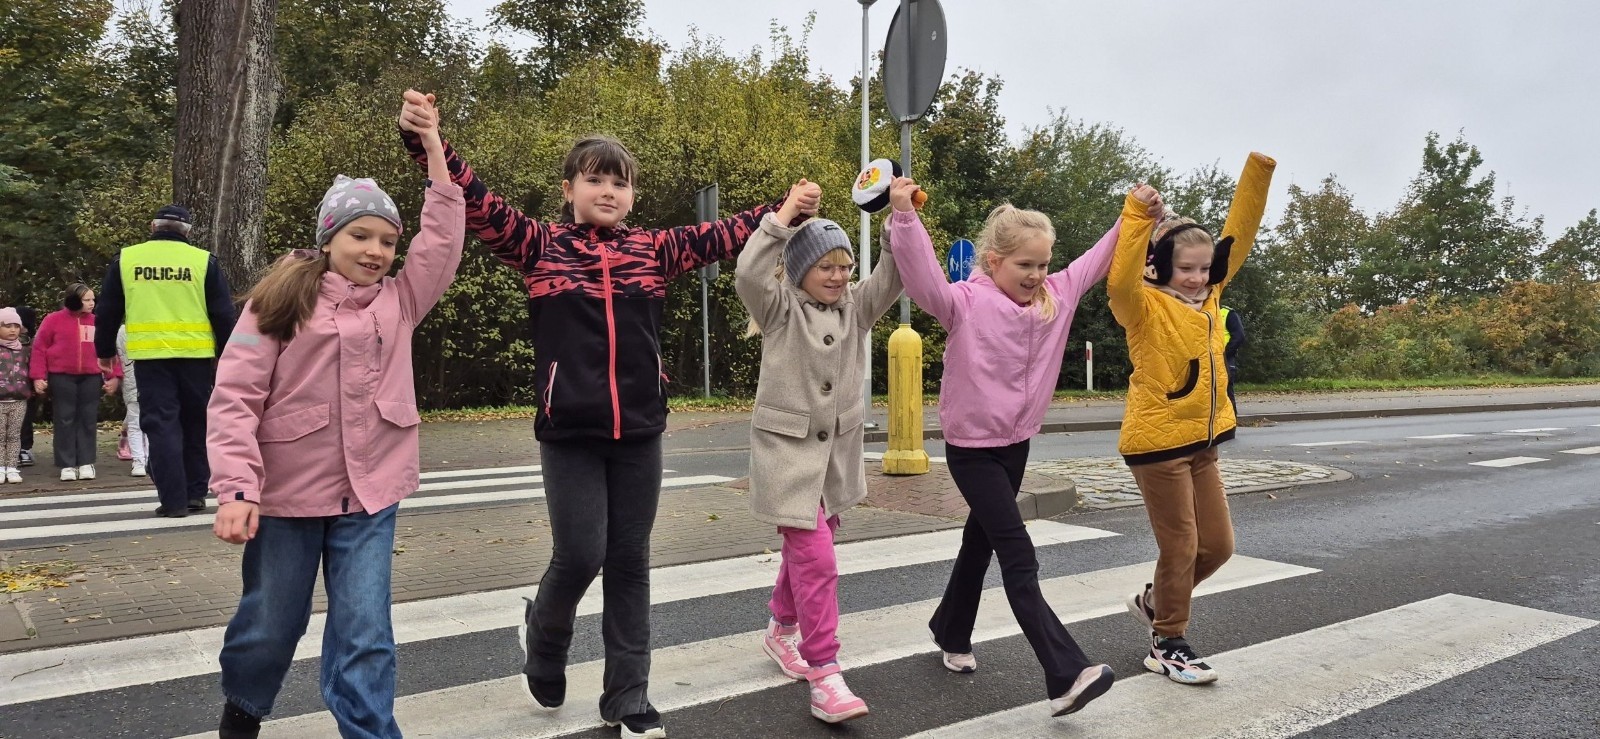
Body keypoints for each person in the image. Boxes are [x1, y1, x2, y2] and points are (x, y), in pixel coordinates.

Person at [398, 90, 806, 739]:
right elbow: (476, 203)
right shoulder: (538, 247)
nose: (608, 190)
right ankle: (545, 633)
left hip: (640, 430)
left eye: (620, 182)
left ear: (633, 195)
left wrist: (781, 212)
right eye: (595, 179)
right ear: (569, 189)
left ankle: (628, 696)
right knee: (581, 551)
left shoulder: (653, 250)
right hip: (569, 433)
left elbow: (720, 235)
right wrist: (429, 141)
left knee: (629, 559)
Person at [207, 92, 464, 739]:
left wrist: (434, 146)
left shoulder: (399, 302)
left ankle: (371, 731)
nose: (376, 250)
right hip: (286, 499)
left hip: (369, 498)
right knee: (270, 624)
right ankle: (244, 706)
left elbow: (441, 237)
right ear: (330, 237)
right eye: (360, 235)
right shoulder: (279, 300)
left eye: (386, 239)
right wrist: (236, 488)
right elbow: (234, 397)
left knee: (365, 631)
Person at [896, 191, 1127, 717]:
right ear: (993, 262)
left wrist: (1133, 214)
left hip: (1016, 445)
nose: (1038, 274)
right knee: (1017, 554)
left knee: (979, 544)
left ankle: (949, 630)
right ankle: (1066, 673)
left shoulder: (1054, 297)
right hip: (972, 450)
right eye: (1026, 264)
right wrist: (905, 217)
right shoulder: (963, 302)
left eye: (1044, 263)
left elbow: (1097, 258)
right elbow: (922, 278)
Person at [734, 177, 903, 723]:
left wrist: (900, 217)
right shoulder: (779, 308)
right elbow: (749, 272)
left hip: (832, 463)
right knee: (817, 560)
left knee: (812, 549)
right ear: (801, 267)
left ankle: (780, 630)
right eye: (826, 266)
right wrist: (783, 215)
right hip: (788, 459)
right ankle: (825, 672)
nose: (838, 276)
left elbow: (894, 275)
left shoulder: (857, 308)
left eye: (845, 265)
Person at [1109, 154, 1275, 686]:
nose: (1198, 278)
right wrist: (1136, 215)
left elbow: (1238, 236)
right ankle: (1168, 641)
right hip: (1157, 447)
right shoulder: (1143, 306)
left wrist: (1258, 175)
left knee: (1219, 547)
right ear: (1159, 266)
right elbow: (1119, 279)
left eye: (1204, 269)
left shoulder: (1211, 297)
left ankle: (1156, 601)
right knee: (1180, 546)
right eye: (1186, 269)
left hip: (1203, 445)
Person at [95, 204, 236, 516]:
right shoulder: (203, 262)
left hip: (151, 356)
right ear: (187, 232)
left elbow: (106, 311)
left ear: (152, 226)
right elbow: (224, 315)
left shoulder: (127, 260)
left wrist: (104, 352)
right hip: (196, 357)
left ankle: (172, 500)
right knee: (196, 423)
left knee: (162, 426)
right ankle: (196, 492)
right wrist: (228, 356)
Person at [29, 284, 120, 481]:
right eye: (87, 299)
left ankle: (86, 462)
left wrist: (114, 376)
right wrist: (38, 376)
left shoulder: (97, 322)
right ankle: (66, 464)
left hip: (91, 376)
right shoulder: (53, 320)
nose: (92, 303)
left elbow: (108, 349)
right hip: (61, 376)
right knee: (64, 418)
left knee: (88, 418)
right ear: (74, 300)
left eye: (93, 299)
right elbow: (39, 348)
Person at [115, 326, 149, 477]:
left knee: (149, 421)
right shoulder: (123, 330)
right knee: (136, 423)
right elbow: (120, 357)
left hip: (151, 379)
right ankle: (139, 460)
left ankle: (148, 459)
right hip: (132, 380)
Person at [0, 307, 29, 483]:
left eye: (16, 326)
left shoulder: (24, 348)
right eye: (7, 325)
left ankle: (12, 467)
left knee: (14, 435)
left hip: (19, 399)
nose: (12, 330)